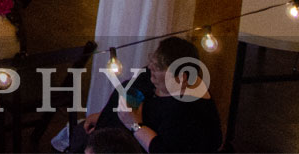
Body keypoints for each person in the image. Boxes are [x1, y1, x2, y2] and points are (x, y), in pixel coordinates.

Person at [74, 36, 222, 153]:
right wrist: (104, 115)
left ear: (181, 77)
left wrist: (135, 125)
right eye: (152, 61)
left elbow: (163, 150)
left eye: (157, 67)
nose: (150, 67)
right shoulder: (152, 76)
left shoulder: (190, 113)